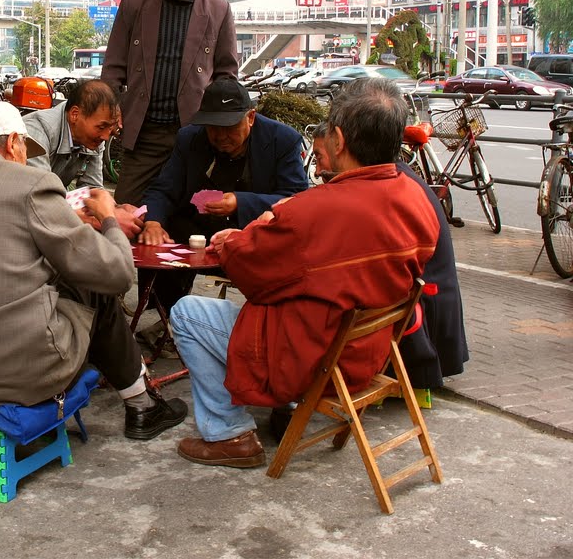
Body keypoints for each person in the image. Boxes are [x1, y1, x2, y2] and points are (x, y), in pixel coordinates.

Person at [168, 78, 439, 468]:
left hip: (314, 355)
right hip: (369, 352)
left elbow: (252, 274)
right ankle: (280, 407)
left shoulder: (315, 210)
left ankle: (228, 433)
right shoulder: (415, 195)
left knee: (188, 312)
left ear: (340, 140)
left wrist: (234, 240)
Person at [0, 101, 187, 440]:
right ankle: (142, 406)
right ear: (11, 144)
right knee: (95, 283)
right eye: (23, 146)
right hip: (22, 372)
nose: (24, 155)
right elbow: (117, 273)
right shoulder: (32, 184)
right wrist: (108, 217)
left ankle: (138, 399)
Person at [309, 123, 469, 391]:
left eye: (319, 158)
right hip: (415, 307)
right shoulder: (392, 178)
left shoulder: (387, 188)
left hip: (419, 319)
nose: (317, 171)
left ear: (340, 146)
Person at [138, 76, 308, 314]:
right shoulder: (190, 138)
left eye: (229, 128)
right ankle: (162, 314)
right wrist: (153, 222)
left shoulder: (283, 140)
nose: (220, 136)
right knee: (155, 235)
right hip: (197, 228)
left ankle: (265, 320)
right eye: (212, 128)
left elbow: (298, 200)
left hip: (252, 234)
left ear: (250, 117)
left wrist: (241, 201)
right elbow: (164, 188)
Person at [102, 0, 239, 206]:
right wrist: (112, 107)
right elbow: (114, 65)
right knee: (128, 208)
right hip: (144, 132)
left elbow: (227, 73)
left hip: (195, 132)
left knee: (198, 209)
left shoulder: (218, 10)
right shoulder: (135, 3)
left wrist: (218, 121)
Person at [23, 79, 143, 239]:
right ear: (74, 114)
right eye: (101, 127)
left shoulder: (93, 138)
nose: (106, 136)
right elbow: (41, 201)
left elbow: (92, 189)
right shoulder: (37, 132)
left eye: (110, 128)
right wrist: (106, 220)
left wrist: (116, 207)